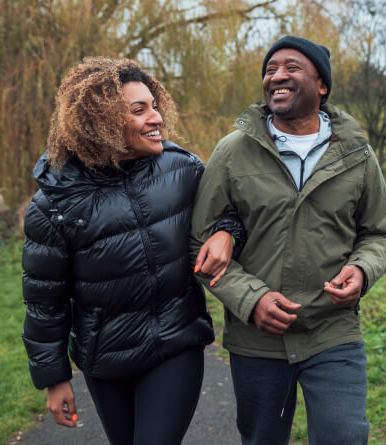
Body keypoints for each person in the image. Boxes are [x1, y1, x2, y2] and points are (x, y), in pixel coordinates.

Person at [21, 57, 246, 445]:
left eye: (154, 105)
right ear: (100, 123)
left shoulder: (183, 169)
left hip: (176, 344)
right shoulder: (55, 202)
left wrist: (227, 231)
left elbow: (233, 212)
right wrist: (54, 378)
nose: (156, 117)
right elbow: (45, 300)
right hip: (105, 360)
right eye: (139, 110)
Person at [190, 35, 386, 445]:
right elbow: (200, 241)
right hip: (257, 341)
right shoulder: (232, 152)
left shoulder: (357, 153)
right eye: (270, 70)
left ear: (322, 85)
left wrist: (361, 269)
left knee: (344, 436)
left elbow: (379, 234)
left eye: (291, 67)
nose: (277, 76)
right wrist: (252, 301)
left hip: (333, 331)